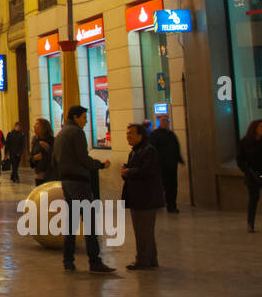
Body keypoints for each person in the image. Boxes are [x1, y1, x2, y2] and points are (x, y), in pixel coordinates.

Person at [52, 105, 114, 273]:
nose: (86, 121)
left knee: (71, 223)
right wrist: (100, 165)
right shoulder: (76, 133)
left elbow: (54, 159)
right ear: (76, 117)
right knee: (90, 223)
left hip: (66, 182)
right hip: (79, 182)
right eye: (84, 117)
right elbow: (82, 158)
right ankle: (94, 261)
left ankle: (68, 260)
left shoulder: (60, 133)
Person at [120, 123, 163, 270]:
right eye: (127, 133)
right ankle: (150, 259)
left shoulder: (148, 151)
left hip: (146, 197)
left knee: (143, 231)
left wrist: (129, 172)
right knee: (143, 231)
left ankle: (142, 261)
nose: (128, 136)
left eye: (131, 133)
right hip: (136, 197)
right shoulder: (134, 152)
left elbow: (147, 171)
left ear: (140, 135)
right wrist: (126, 172)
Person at [148, 115, 184, 213]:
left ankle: (172, 206)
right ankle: (157, 204)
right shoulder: (154, 134)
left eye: (166, 120)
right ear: (159, 122)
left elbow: (176, 147)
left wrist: (179, 159)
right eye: (163, 120)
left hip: (171, 166)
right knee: (160, 186)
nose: (165, 122)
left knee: (172, 187)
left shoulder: (171, 134)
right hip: (161, 166)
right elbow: (152, 150)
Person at [28, 118, 55, 185]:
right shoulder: (35, 140)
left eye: (37, 124)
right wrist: (34, 158)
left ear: (44, 127)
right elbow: (31, 158)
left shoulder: (52, 140)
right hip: (39, 176)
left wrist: (48, 149)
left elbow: (56, 156)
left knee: (50, 195)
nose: (34, 126)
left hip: (50, 176)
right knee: (42, 195)